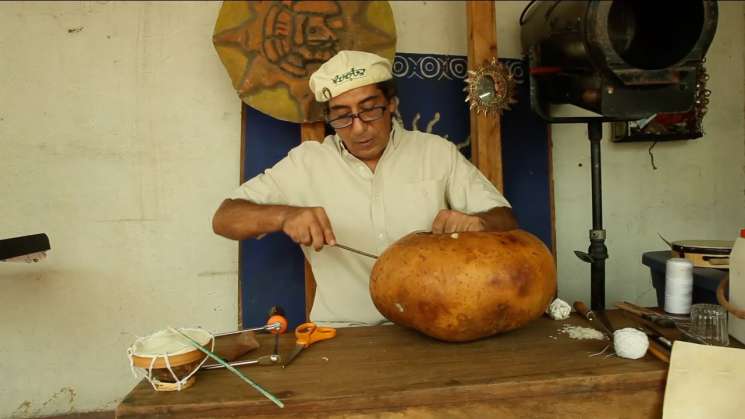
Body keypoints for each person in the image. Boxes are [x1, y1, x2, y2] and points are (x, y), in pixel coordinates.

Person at [212, 50, 517, 326]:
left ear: (392, 104)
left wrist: (480, 223)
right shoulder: (307, 163)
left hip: (432, 326)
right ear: (329, 117)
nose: (358, 128)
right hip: (343, 335)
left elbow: (507, 221)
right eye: (342, 116)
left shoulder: (435, 152)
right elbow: (225, 218)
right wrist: (285, 216)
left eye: (370, 110)